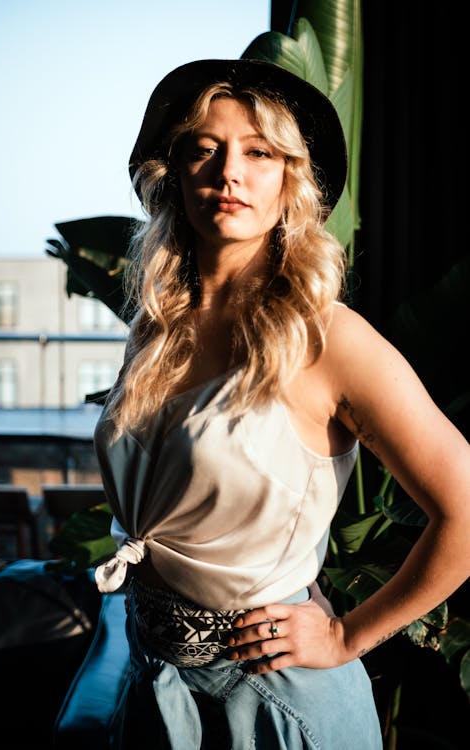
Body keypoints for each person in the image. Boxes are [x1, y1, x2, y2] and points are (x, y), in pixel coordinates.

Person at [93, 58, 470, 749]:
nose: (227, 172)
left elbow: (466, 510)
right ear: (173, 174)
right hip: (157, 686)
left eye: (258, 153)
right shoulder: (159, 323)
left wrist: (347, 634)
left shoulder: (328, 337)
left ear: (290, 180)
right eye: (202, 150)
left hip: (274, 701)